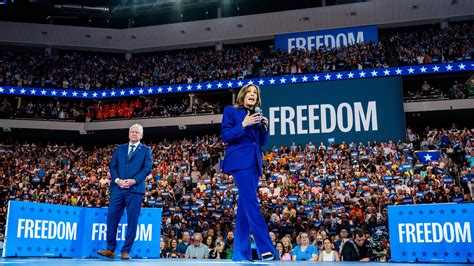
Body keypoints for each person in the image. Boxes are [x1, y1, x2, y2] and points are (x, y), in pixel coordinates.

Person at [221, 84, 277, 261]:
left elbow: (261, 142)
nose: (252, 95)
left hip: (254, 163)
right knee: (252, 203)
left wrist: (265, 128)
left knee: (245, 208)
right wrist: (244, 124)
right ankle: (266, 249)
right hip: (239, 161)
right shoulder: (231, 111)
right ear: (243, 95)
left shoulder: (258, 115)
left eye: (255, 93)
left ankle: (241, 254)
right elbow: (226, 136)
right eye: (249, 92)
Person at [98, 124, 153, 260]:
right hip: (118, 188)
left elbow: (147, 168)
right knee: (112, 218)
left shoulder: (146, 150)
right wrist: (117, 180)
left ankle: (125, 251)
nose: (134, 134)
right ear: (129, 134)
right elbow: (113, 166)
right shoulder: (120, 148)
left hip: (135, 190)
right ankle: (110, 249)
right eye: (132, 132)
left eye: (136, 132)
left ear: (141, 135)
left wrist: (134, 180)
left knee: (132, 221)